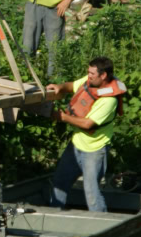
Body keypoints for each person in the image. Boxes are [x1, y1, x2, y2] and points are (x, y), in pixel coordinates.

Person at [45, 56, 126, 212]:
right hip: (76, 145)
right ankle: (53, 215)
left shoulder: (109, 100)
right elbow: (73, 86)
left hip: (94, 150)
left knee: (92, 193)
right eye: (88, 72)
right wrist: (60, 87)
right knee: (60, 182)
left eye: (92, 74)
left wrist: (62, 117)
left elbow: (88, 123)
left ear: (103, 76)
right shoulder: (91, 81)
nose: (88, 76)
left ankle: (101, 225)